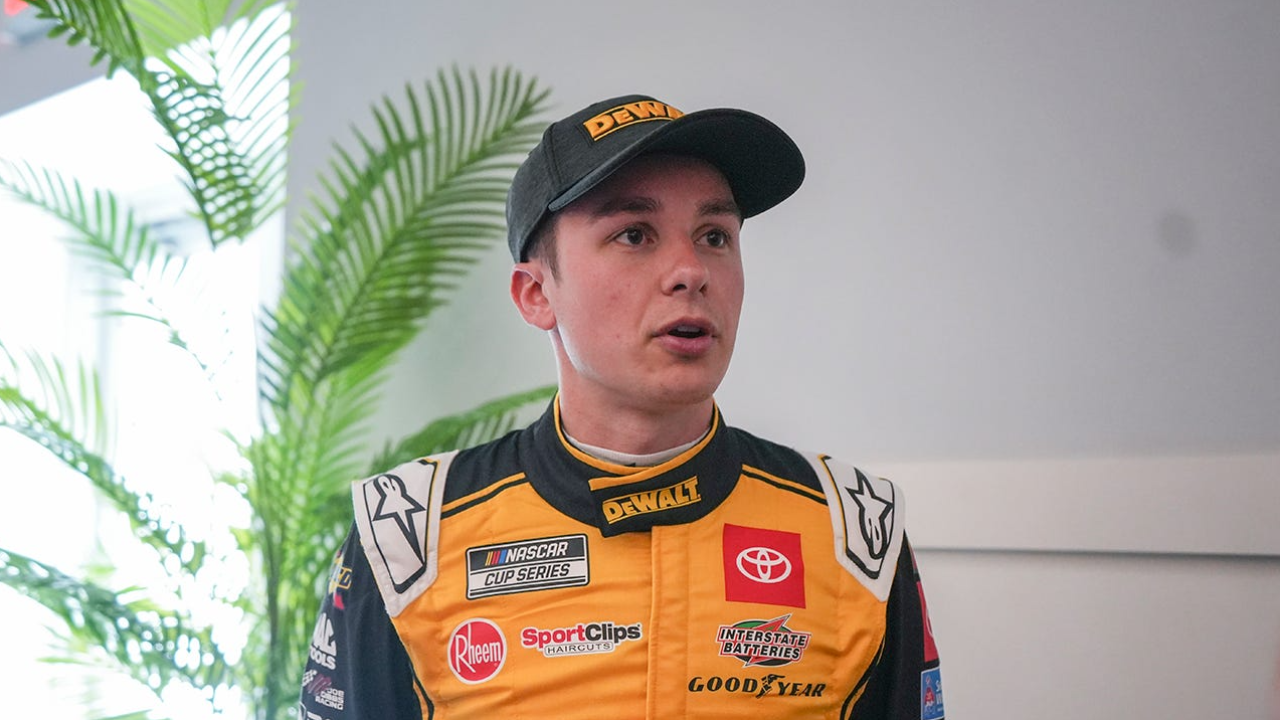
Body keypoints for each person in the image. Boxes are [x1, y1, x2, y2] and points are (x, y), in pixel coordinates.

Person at [299, 93, 944, 719]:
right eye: (635, 234)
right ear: (535, 294)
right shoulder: (408, 536)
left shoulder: (855, 529)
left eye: (715, 235)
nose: (690, 270)